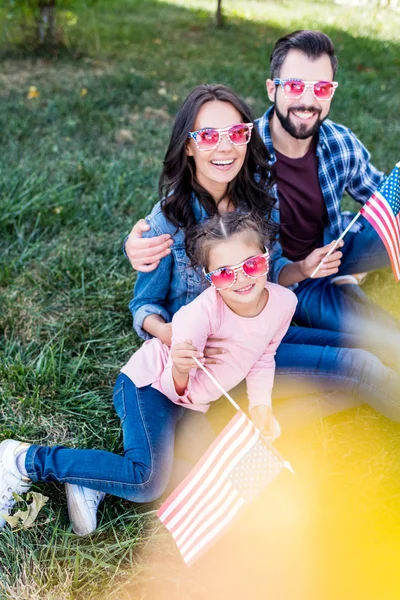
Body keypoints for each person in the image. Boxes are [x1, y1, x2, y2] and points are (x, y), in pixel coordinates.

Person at [0, 213, 297, 537]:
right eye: (224, 274)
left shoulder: (284, 303)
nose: (241, 279)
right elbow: (173, 385)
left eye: (251, 264)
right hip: (151, 386)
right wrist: (181, 367)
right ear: (209, 277)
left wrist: (260, 407)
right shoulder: (199, 315)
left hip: (193, 405)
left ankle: (92, 482)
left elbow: (263, 358)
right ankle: (25, 459)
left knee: (198, 481)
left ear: (267, 257)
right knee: (147, 480)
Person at [126, 30, 398, 340]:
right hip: (290, 277)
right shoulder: (238, 148)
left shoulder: (340, 142)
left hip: (334, 246)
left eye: (321, 88)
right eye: (295, 86)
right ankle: (344, 287)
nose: (308, 101)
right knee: (385, 341)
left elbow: (383, 196)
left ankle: (348, 275)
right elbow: (189, 205)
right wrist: (134, 244)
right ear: (272, 89)